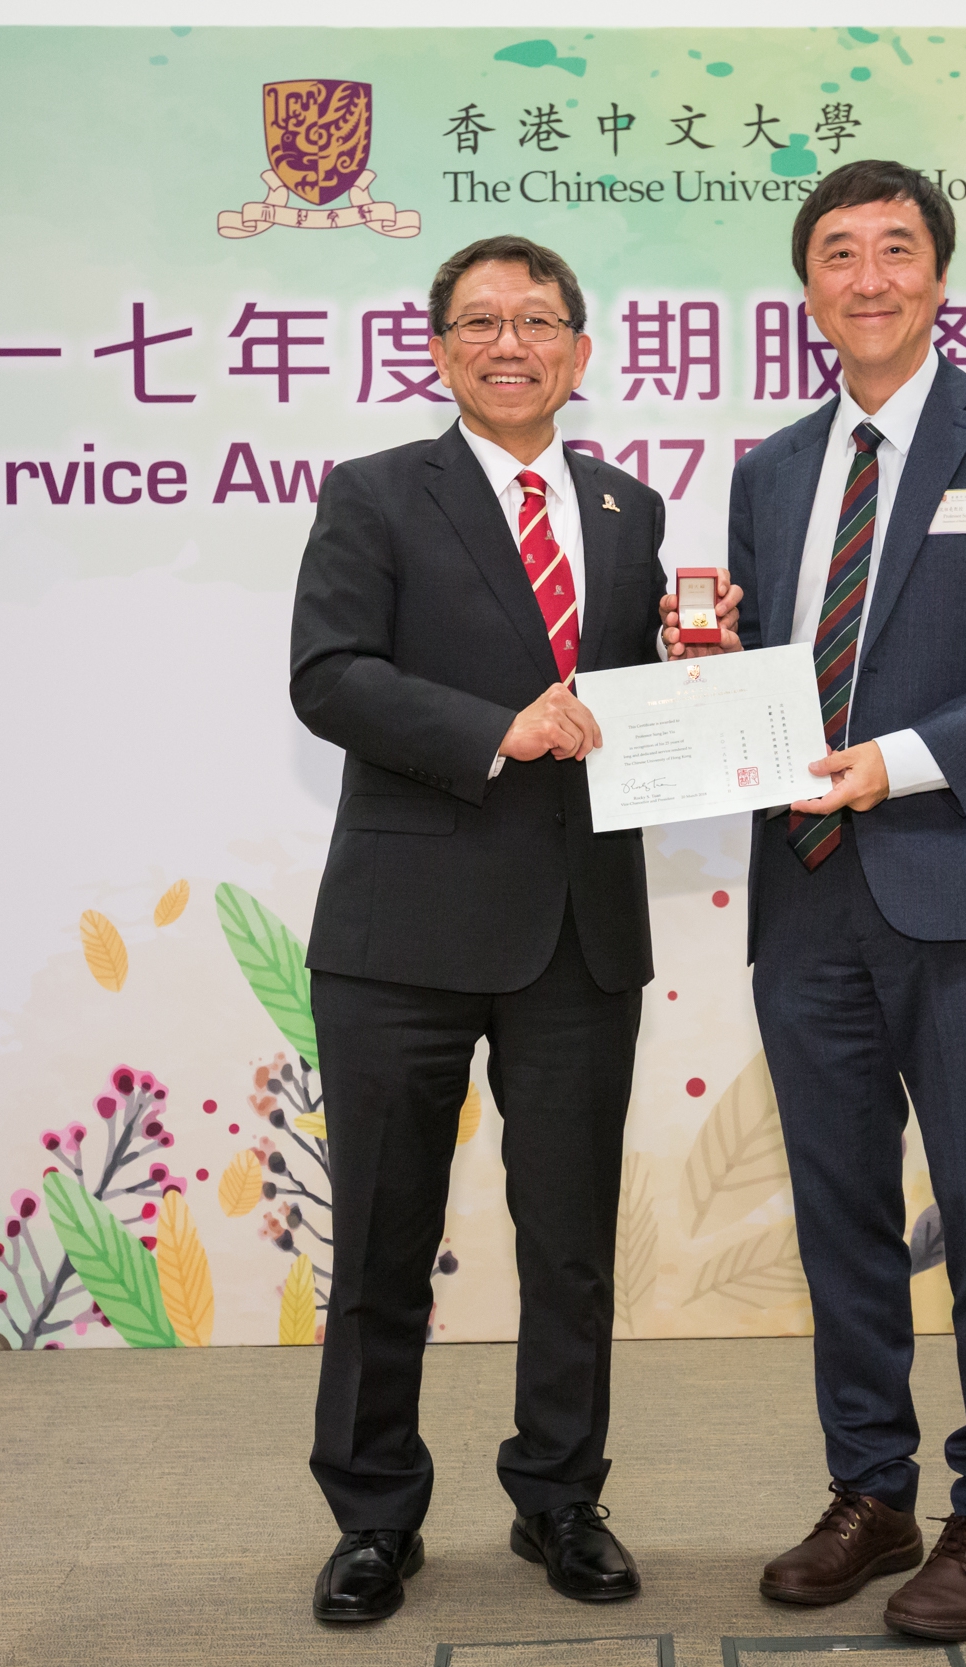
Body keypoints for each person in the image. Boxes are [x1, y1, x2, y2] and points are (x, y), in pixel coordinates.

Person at [716, 159, 966, 1643]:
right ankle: (871, 1493)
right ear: (807, 287)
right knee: (838, 1218)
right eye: (839, 253)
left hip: (959, 888)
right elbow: (764, 672)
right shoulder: (768, 470)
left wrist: (897, 763)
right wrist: (694, 683)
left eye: (897, 250)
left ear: (940, 278)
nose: (868, 276)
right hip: (804, 895)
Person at [289, 234, 721, 1624]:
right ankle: (372, 1517)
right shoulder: (372, 496)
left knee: (572, 1243)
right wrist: (499, 729)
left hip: (578, 937)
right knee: (384, 1244)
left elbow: (630, 704)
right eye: (480, 321)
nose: (510, 341)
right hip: (399, 935)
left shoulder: (628, 506)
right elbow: (331, 676)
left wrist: (704, 684)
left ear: (581, 354)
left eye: (539, 320)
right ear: (439, 350)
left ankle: (559, 1496)